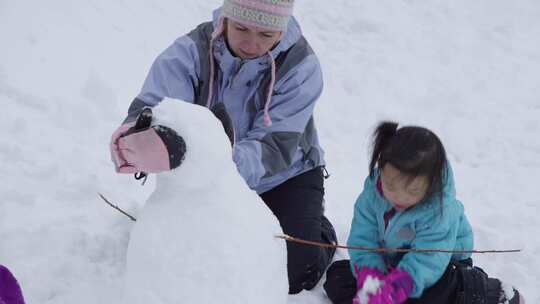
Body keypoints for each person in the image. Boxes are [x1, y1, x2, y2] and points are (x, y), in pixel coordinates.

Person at [109, 0, 336, 295]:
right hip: (205, 174)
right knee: (186, 256)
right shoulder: (191, 52)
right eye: (241, 28)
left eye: (266, 35)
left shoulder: (301, 65)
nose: (252, 44)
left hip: (286, 174)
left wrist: (213, 162)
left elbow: (275, 146)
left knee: (293, 271)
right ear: (226, 17)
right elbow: (154, 105)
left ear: (282, 28)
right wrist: (138, 139)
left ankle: (320, 230)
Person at [323, 122, 525, 304]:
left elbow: (427, 259)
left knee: (429, 295)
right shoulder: (372, 197)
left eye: (412, 190)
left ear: (431, 185)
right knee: (338, 279)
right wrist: (371, 278)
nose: (398, 196)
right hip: (392, 260)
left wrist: (394, 289)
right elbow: (363, 239)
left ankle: (485, 290)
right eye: (391, 184)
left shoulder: (438, 211)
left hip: (440, 265)